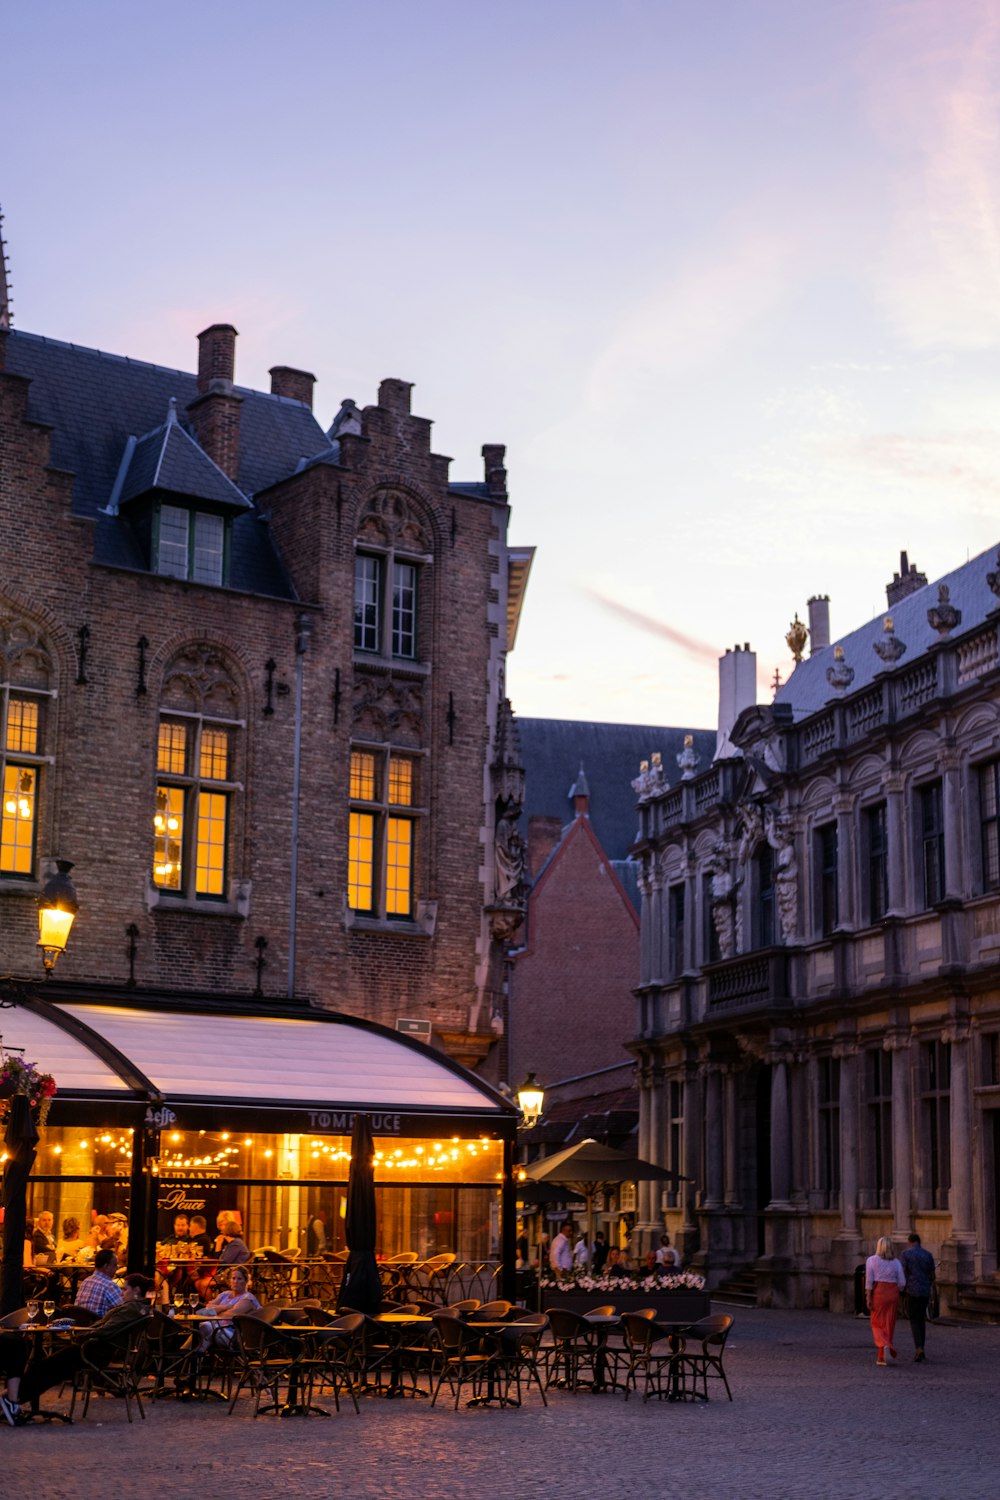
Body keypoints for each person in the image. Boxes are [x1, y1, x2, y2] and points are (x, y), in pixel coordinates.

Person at [1, 1273, 153, 1426]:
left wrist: (81, 1334)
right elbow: (107, 1328)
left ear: (136, 1290)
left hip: (94, 1350)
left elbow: (107, 1329)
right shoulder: (139, 1308)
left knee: (47, 1367)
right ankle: (12, 1399)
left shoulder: (132, 1308)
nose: (121, 1293)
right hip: (96, 1349)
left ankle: (12, 1398)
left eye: (125, 1289)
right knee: (50, 1368)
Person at [195, 1266, 260, 1353]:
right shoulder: (224, 1294)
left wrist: (215, 1311)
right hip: (218, 1329)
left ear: (246, 1281)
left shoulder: (247, 1298)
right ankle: (193, 1354)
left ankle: (190, 1356)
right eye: (233, 1278)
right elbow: (207, 1309)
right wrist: (226, 1307)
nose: (236, 1281)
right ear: (230, 1280)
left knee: (205, 1327)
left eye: (239, 1279)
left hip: (235, 1335)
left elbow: (231, 1315)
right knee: (201, 1330)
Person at [865, 1235, 905, 1366]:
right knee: (889, 1323)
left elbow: (869, 1281)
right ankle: (881, 1356)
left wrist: (868, 1296)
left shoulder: (872, 1260)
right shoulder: (896, 1262)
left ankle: (885, 1344)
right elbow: (902, 1282)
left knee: (876, 1322)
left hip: (879, 1291)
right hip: (893, 1292)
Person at [901, 1232, 936, 1363]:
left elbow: (903, 1273)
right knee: (921, 1320)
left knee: (914, 1320)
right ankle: (922, 1347)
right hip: (925, 1290)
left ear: (910, 1242)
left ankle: (919, 1347)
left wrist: (902, 1288)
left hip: (912, 1290)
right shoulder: (928, 1255)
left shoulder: (906, 1254)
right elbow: (932, 1275)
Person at [75, 1248, 123, 1317]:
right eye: (115, 1265)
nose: (117, 1268)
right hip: (99, 1326)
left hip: (80, 1325)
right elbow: (124, 1312)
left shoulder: (85, 1282)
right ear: (106, 1267)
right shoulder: (110, 1286)